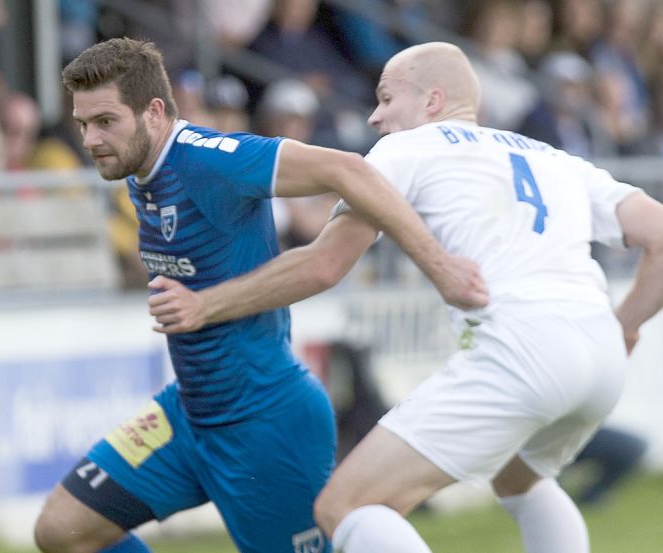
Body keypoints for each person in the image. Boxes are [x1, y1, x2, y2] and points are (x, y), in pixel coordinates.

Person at [147, 42, 663, 553]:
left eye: (386, 98)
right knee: (519, 478)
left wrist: (205, 305)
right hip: (599, 357)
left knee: (345, 507)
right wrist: (626, 325)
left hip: (522, 351)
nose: (374, 116)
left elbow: (322, 264)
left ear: (433, 100)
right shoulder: (555, 158)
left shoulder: (404, 148)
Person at [33, 37, 486, 553]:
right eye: (83, 124)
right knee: (63, 530)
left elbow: (350, 170)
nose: (90, 139)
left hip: (266, 424)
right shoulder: (142, 170)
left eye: (105, 121)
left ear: (154, 112)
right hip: (189, 415)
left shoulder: (209, 159)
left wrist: (440, 264)